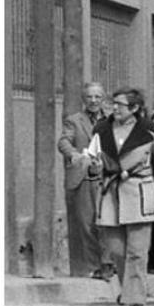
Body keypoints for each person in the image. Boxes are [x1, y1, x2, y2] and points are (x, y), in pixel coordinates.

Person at [83, 88, 154, 306]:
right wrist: (91, 166)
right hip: (110, 194)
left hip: (138, 194)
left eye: (120, 104)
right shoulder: (101, 129)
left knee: (137, 251)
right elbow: (91, 158)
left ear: (134, 108)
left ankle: (136, 299)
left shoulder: (148, 129)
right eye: (114, 103)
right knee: (118, 250)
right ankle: (129, 287)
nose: (115, 108)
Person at [58, 81, 112, 278]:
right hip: (84, 178)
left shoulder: (111, 120)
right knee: (87, 223)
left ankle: (108, 262)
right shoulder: (74, 120)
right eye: (89, 96)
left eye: (98, 96)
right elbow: (64, 140)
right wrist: (73, 154)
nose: (94, 100)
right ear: (84, 99)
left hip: (107, 177)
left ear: (103, 99)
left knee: (107, 222)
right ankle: (95, 266)